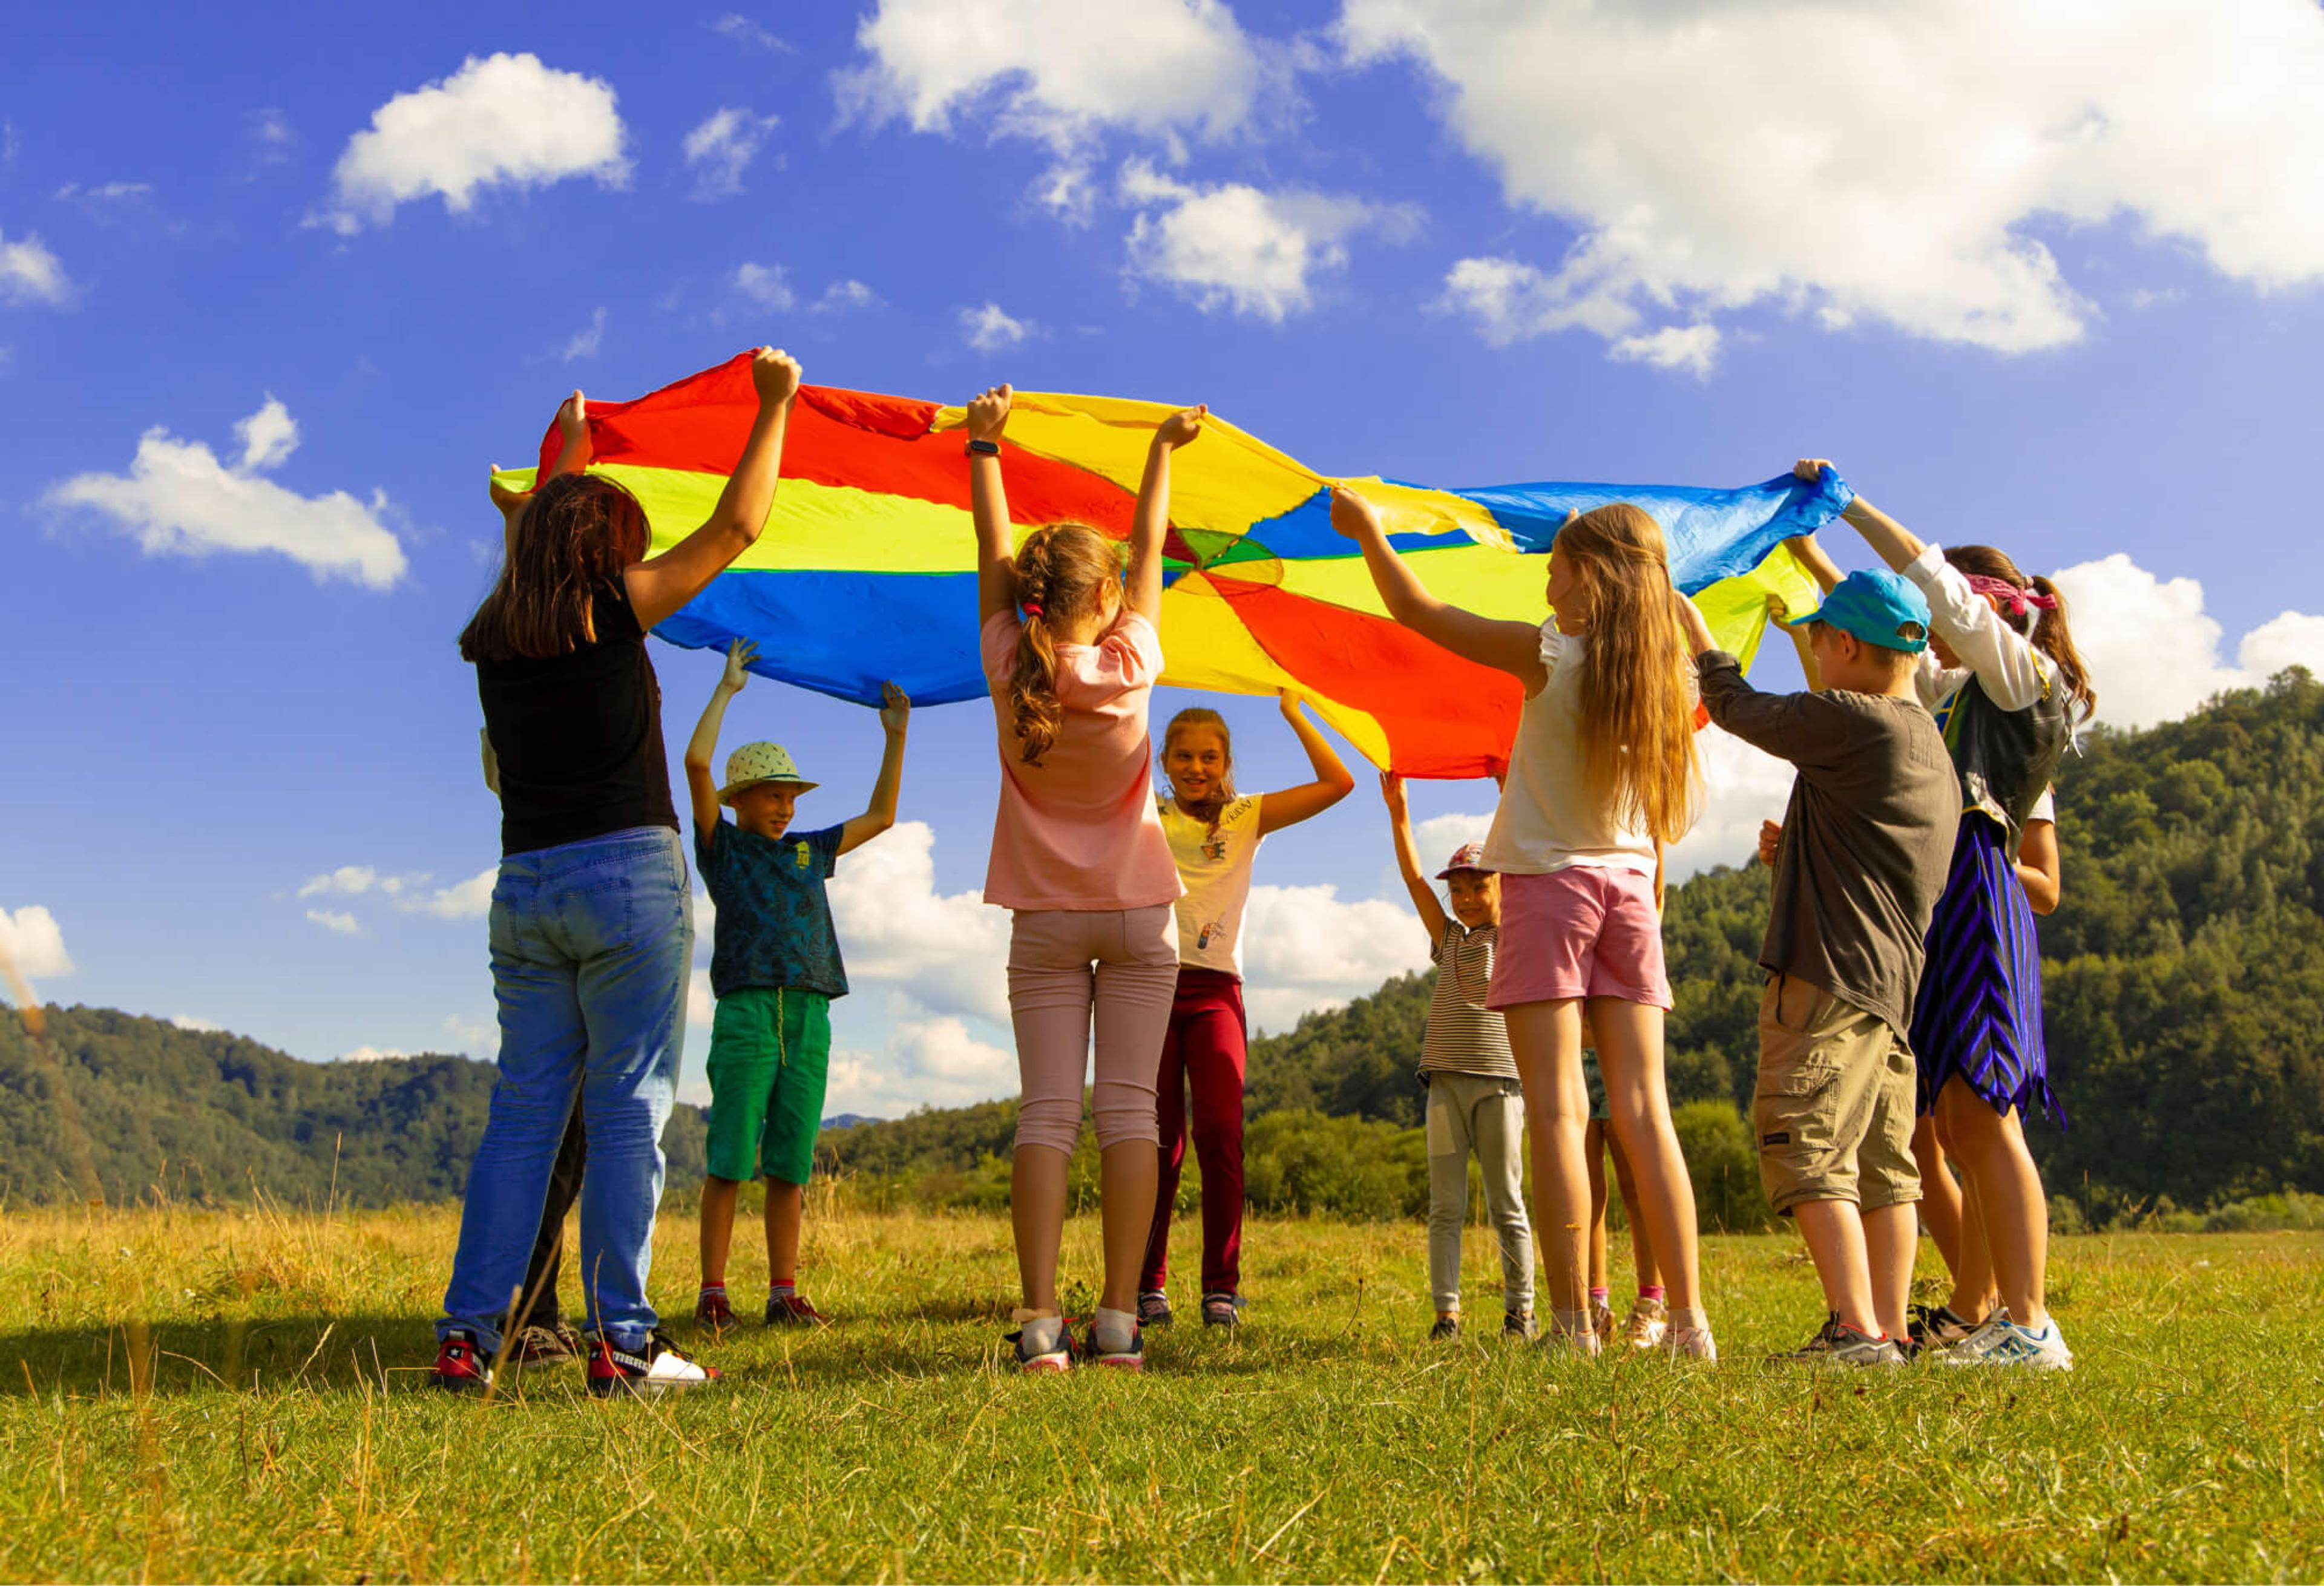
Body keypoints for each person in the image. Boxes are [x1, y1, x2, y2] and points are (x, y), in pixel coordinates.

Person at [435, 348, 803, 1398]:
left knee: (523, 1116)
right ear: (603, 549)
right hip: (628, 884)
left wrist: (571, 450)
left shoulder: (499, 632)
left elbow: (533, 542)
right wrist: (772, 406)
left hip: (527, 889)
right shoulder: (613, 607)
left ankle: (467, 1340)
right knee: (630, 1108)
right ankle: (626, 1343)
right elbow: (738, 526)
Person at [1330, 488, 1715, 1358]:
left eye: (1557, 562)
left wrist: (1370, 533)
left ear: (1589, 577)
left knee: (1555, 1110)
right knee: (1650, 1110)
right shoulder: (1672, 677)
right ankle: (1691, 1323)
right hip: (1629, 893)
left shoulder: (1551, 654)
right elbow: (1701, 647)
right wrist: (1676, 606)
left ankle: (1575, 1324)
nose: (1546, 573)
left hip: (1548, 888)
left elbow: (1416, 608)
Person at [1802, 459, 2094, 1371]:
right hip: (1941, 889)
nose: (1930, 635)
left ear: (1983, 611)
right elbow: (1887, 647)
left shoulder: (2019, 675)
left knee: (1987, 1115)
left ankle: (2030, 1320)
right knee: (1961, 1119)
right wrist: (1810, 556)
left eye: (1947, 616)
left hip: (1979, 885)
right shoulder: (1956, 689)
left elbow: (1924, 582)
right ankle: (1999, 1314)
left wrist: (1848, 506)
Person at [969, 383, 1204, 1373]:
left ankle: (1035, 1323)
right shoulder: (1133, 663)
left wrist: (986, 448)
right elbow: (1151, 553)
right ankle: (1115, 1321)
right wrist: (1161, 451)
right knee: (1131, 1115)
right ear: (1105, 603)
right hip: (1141, 916)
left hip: (1044, 923)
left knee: (1048, 1115)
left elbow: (989, 559)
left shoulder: (1004, 660)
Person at [1679, 566, 1959, 1365]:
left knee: (1807, 1144)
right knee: (1883, 1169)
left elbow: (1737, 707)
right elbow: (1874, 861)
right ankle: (1892, 1331)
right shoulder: (1923, 743)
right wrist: (1794, 852)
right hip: (1888, 989)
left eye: (1818, 641)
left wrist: (1701, 639)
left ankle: (1852, 1327)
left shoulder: (1859, 721)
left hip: (1829, 975)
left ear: (1844, 642)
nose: (1816, 656)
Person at [684, 638, 910, 1335]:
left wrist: (895, 736)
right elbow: (695, 763)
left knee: (790, 1163)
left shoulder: (811, 849)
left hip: (812, 1011)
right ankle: (714, 1290)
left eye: (789, 796)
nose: (783, 807)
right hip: (748, 1010)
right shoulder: (723, 848)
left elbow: (882, 817)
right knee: (729, 1158)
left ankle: (784, 1290)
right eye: (771, 796)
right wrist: (727, 690)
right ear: (740, 801)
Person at [1137, 694, 1354, 1331]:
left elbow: (1338, 782)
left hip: (1215, 993)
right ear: (1165, 760)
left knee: (1221, 1135)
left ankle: (1220, 1290)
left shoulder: (1246, 814)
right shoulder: (1145, 811)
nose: (1197, 766)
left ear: (1227, 761)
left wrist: (1295, 712)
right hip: (1149, 987)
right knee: (1157, 1144)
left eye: (1209, 755)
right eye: (1184, 755)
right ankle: (1148, 1285)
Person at [1894, 795, 2060, 1346]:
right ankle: (1974, 1307)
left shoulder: (2000, 738)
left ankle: (2029, 1323)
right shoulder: (1936, 731)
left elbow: (2048, 887)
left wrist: (1978, 858)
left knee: (1989, 1120)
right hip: (1935, 930)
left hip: (1983, 917)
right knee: (1952, 1131)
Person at [1381, 778, 1534, 1343]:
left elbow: (1527, 855)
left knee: (1507, 1202)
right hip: (1444, 1087)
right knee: (1445, 1205)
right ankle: (1447, 1314)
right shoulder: (1447, 938)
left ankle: (1521, 1310)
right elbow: (1415, 880)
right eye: (1461, 890)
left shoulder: (1517, 932)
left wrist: (1510, 791)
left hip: (1499, 1086)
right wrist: (1400, 814)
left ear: (1501, 886)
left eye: (1479, 886)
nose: (1467, 897)